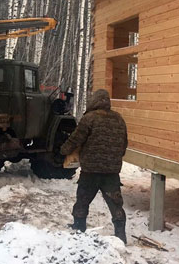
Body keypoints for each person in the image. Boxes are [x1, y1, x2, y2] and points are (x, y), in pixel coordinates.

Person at [60, 88, 128, 243]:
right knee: (116, 204)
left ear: (94, 101)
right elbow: (124, 144)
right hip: (111, 172)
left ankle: (79, 228)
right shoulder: (119, 119)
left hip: (90, 170)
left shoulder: (89, 118)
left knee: (82, 200)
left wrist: (63, 150)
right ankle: (120, 236)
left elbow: (76, 139)